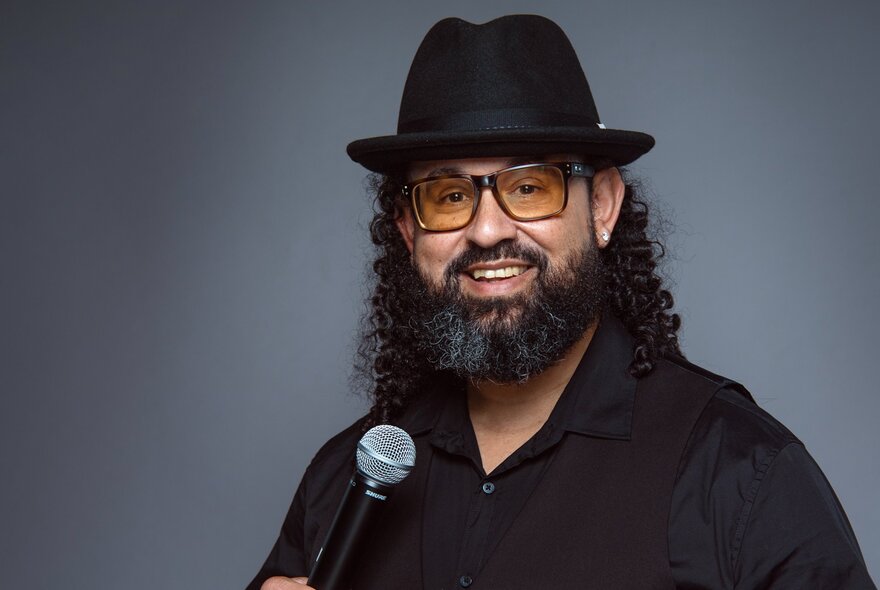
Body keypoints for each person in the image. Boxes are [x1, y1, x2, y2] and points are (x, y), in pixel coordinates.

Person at [248, 15, 875, 590]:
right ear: (410, 232)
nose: (488, 230)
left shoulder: (739, 474)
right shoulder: (345, 481)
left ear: (600, 205)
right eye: (447, 196)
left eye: (529, 186)